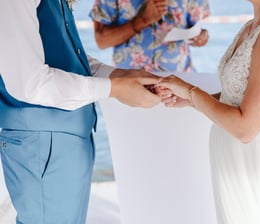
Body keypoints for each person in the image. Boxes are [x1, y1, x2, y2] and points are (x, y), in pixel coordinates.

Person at [0, 0, 161, 224]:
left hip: (64, 142)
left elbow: (71, 60)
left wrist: (120, 76)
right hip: (44, 145)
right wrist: (115, 89)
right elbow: (30, 84)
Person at [157, 0, 260, 223]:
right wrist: (190, 100)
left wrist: (192, 92)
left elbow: (246, 129)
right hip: (233, 161)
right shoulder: (255, 25)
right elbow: (238, 99)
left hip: (256, 167)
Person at [89, 0, 210, 72]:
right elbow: (102, 40)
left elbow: (195, 29)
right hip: (130, 85)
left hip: (181, 82)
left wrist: (200, 38)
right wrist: (143, 19)